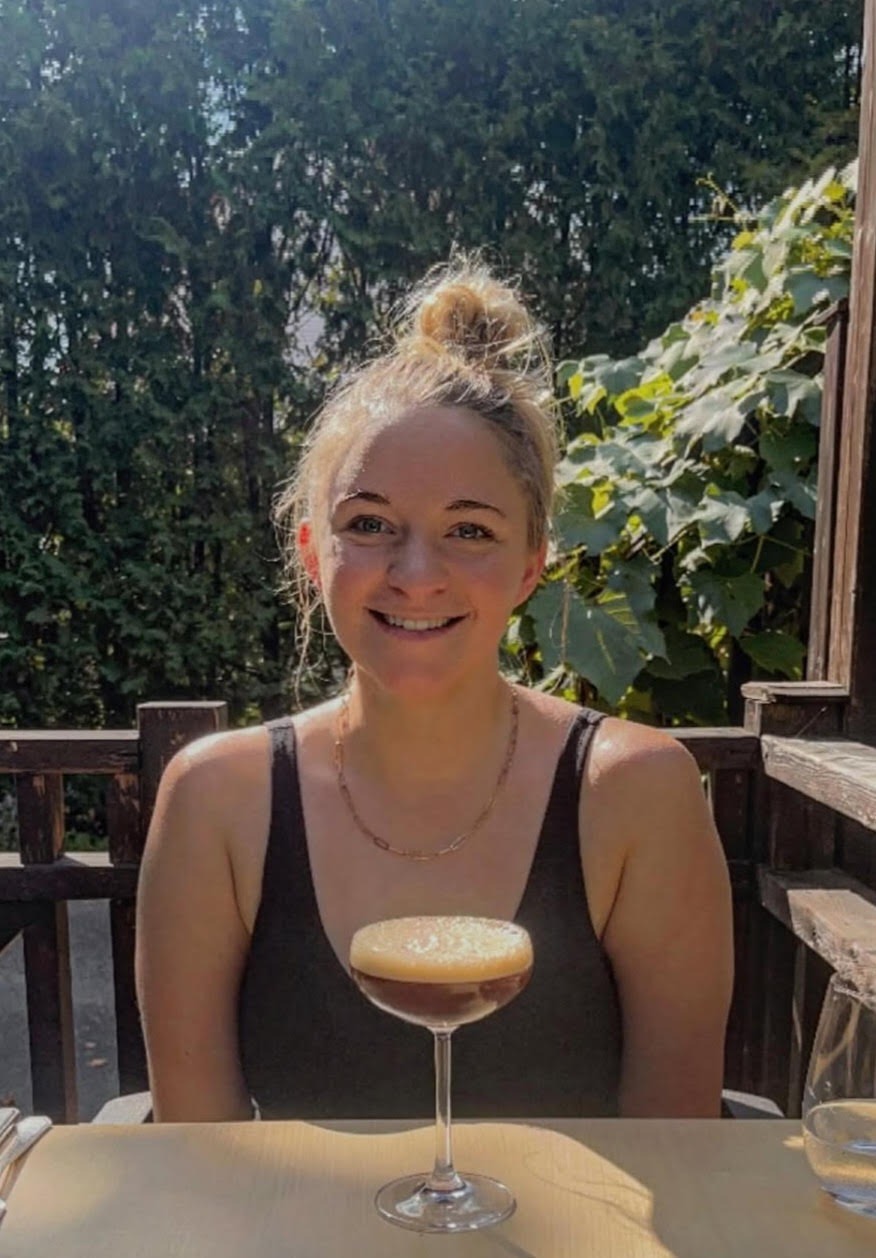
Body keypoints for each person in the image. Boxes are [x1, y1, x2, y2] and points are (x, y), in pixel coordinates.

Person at [135, 258, 733, 1122]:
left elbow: (680, 1158)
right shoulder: (216, 803)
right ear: (313, 552)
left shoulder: (636, 795)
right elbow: (200, 1157)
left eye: (469, 530)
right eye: (370, 525)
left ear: (532, 564)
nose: (416, 576)